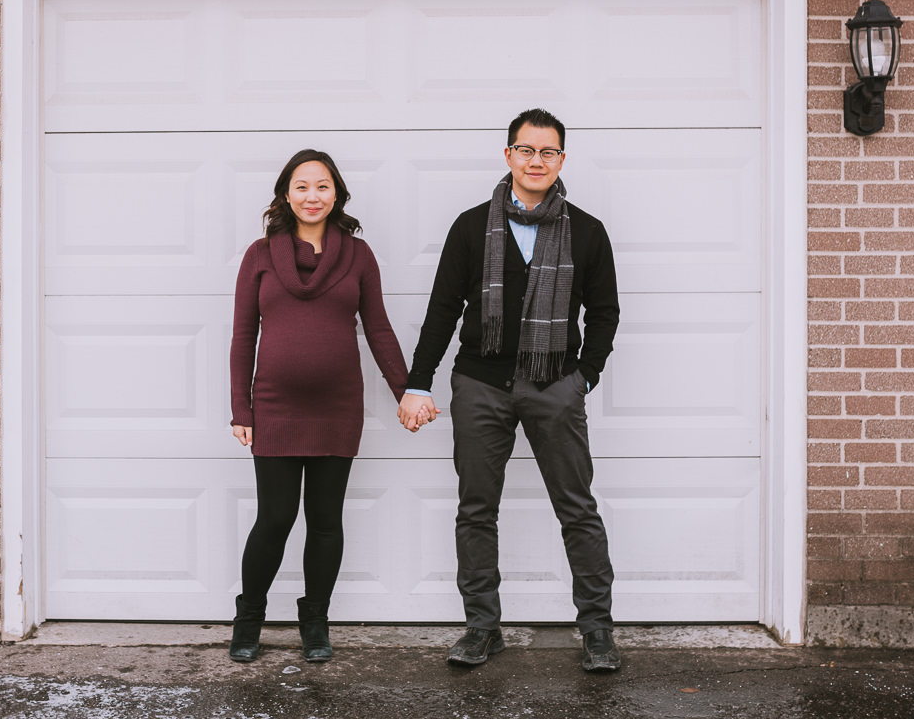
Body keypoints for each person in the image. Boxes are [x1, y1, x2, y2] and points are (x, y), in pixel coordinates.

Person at [398, 108, 622, 673]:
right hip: (480, 384)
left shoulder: (588, 231)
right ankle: (481, 628)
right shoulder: (472, 227)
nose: (536, 160)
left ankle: (597, 631)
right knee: (476, 509)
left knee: (578, 510)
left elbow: (605, 313)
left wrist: (583, 375)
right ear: (508, 156)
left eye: (548, 152)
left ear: (562, 161)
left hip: (555, 386)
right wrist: (416, 382)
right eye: (526, 150)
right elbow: (443, 309)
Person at [228, 149, 411, 664]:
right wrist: (241, 410)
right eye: (302, 186)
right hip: (275, 409)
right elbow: (244, 337)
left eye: (323, 186)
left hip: (336, 407)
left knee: (326, 519)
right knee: (276, 518)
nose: (313, 196)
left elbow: (378, 328)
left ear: (338, 194)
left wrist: (407, 391)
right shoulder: (259, 255)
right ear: (286, 194)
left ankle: (316, 620)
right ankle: (249, 617)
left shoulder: (358, 255)